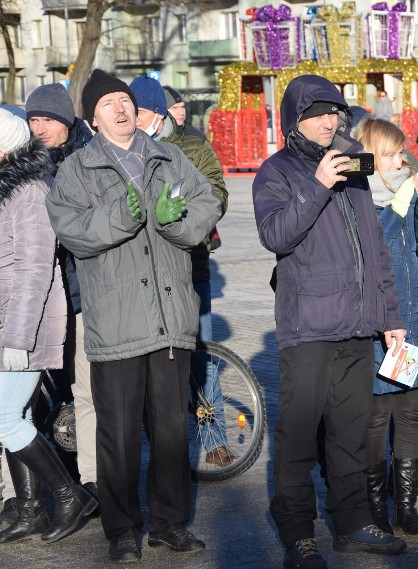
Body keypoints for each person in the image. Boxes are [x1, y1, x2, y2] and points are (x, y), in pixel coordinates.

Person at [45, 69, 220, 562]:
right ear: (93, 118)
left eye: (124, 101)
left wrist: (180, 222)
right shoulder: (78, 170)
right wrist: (121, 215)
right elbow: (72, 230)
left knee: (170, 430)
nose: (120, 109)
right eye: (108, 105)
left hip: (169, 318)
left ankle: (170, 524)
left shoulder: (169, 156)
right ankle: (122, 529)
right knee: (117, 434)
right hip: (116, 322)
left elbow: (207, 203)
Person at [252, 74, 407, 568]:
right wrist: (317, 185)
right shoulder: (276, 172)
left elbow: (376, 249)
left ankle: (352, 522)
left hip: (358, 326)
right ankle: (298, 532)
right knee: (298, 435)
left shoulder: (355, 168)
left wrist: (391, 317)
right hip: (309, 327)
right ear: (294, 121)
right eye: (315, 114)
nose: (326, 121)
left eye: (333, 113)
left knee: (350, 430)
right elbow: (276, 236)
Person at [0, 109, 97, 545]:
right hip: (8, 322)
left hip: (28, 326)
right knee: (16, 415)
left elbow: (35, 269)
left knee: (4, 418)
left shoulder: (30, 191)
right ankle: (31, 511)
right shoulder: (7, 190)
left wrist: (17, 339)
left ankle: (70, 495)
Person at [128, 76, 233, 467]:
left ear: (155, 113)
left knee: (200, 354)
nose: (129, 118)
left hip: (191, 265)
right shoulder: (126, 148)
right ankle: (163, 445)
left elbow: (218, 195)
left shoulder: (191, 145)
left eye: (136, 112)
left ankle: (215, 436)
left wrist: (179, 210)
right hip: (144, 269)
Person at [354, 118, 418, 537]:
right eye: (389, 154)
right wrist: (396, 208)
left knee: (409, 410)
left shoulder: (403, 189)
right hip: (378, 319)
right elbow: (373, 250)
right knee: (377, 415)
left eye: (399, 152)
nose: (398, 161)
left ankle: (405, 506)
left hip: (412, 314)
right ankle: (375, 505)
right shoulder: (355, 194)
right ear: (370, 156)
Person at [24, 82, 99, 511]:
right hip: (41, 301)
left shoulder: (84, 161)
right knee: (28, 400)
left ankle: (93, 480)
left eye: (48, 119)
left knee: (87, 392)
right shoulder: (26, 164)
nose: (40, 127)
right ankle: (28, 494)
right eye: (34, 120)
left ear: (66, 122)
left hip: (80, 295)